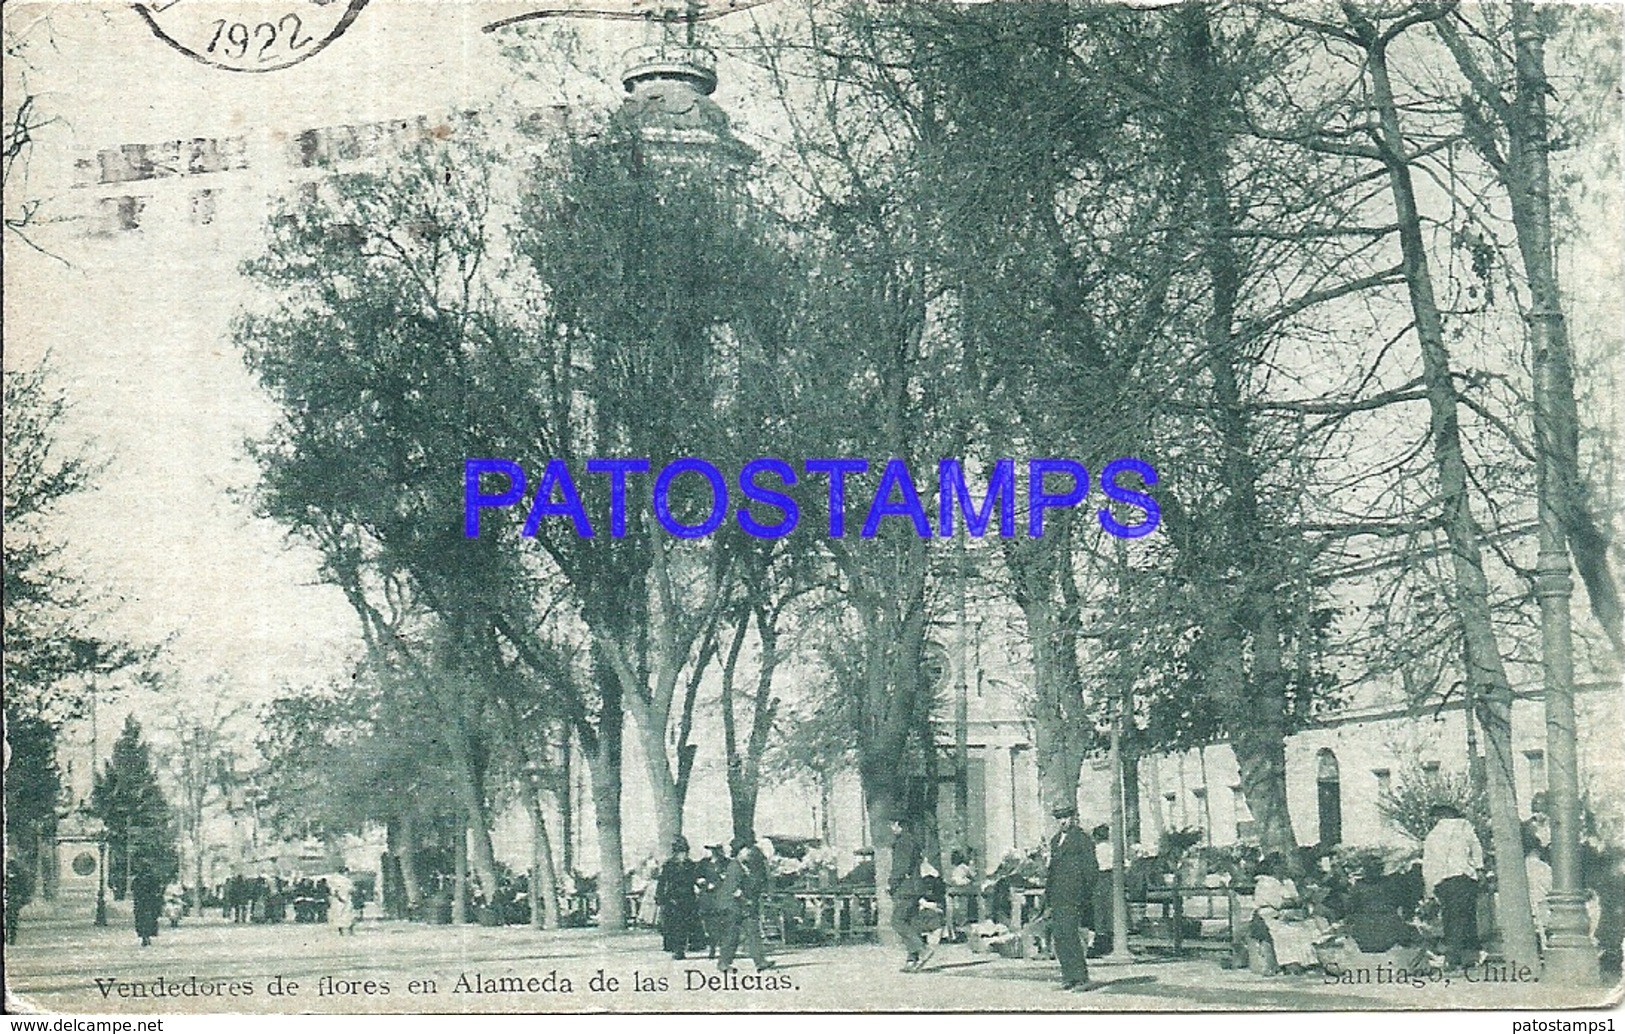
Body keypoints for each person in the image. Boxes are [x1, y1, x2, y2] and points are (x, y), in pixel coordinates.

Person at [1422, 803, 1484, 969]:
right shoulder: (1464, 827)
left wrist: (1430, 889)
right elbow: (1476, 848)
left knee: (1451, 918)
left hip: (1444, 881)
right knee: (1467, 917)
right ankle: (1470, 955)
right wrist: (1479, 868)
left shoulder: (1432, 835)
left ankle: (1454, 956)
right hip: (1465, 878)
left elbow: (1428, 865)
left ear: (1438, 817)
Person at [1249, 853, 1332, 974]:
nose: (1285, 867)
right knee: (1289, 932)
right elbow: (1280, 903)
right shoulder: (1265, 882)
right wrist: (1299, 900)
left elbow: (1296, 900)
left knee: (1312, 926)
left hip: (1290, 915)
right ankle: (1291, 963)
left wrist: (1305, 898)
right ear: (1274, 867)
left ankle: (1311, 961)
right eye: (1282, 864)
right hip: (1270, 917)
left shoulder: (1288, 882)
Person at [1046, 805, 1098, 991]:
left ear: (1074, 817)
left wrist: (1083, 893)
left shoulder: (1082, 839)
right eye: (1059, 818)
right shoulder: (1055, 841)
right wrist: (1049, 897)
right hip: (1057, 895)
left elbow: (1091, 869)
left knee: (1070, 934)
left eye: (1066, 817)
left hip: (1073, 896)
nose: (1062, 821)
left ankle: (1082, 978)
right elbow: (1052, 871)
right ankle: (1068, 976)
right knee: (1060, 936)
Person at [716, 837, 775, 973]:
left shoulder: (745, 865)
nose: (748, 852)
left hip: (743, 907)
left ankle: (760, 962)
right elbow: (734, 891)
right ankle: (723, 963)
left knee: (753, 932)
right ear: (738, 852)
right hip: (732, 907)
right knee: (732, 936)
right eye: (745, 850)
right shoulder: (734, 867)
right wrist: (746, 901)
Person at [887, 815, 930, 972]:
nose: (891, 829)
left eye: (892, 825)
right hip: (916, 887)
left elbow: (901, 867)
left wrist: (892, 884)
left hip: (905, 888)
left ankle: (922, 949)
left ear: (898, 823)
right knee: (910, 922)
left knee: (897, 921)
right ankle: (912, 960)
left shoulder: (902, 843)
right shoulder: (913, 840)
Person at [658, 836, 703, 960]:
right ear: (675, 852)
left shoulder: (691, 864)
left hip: (688, 897)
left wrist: (700, 883)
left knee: (686, 924)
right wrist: (660, 897)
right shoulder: (669, 865)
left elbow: (696, 879)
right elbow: (662, 881)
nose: (683, 855)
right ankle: (677, 949)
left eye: (684, 851)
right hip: (673, 898)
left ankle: (683, 948)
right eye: (680, 852)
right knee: (674, 925)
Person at [697, 844, 729, 958]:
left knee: (722, 922)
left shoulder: (727, 862)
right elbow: (698, 876)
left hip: (721, 895)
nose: (714, 852)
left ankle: (722, 947)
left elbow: (730, 878)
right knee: (709, 922)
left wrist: (721, 881)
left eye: (716, 849)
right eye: (711, 849)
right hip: (707, 896)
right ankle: (712, 947)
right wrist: (703, 883)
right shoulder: (704, 863)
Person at [1089, 823, 1114, 957]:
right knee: (1111, 909)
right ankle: (1111, 939)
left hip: (1100, 878)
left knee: (1100, 910)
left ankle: (1101, 942)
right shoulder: (1113, 848)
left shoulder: (1095, 849)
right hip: (1112, 878)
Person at [131, 862, 164, 948]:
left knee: (141, 920)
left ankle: (144, 936)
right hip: (150, 902)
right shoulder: (154, 878)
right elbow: (158, 890)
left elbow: (133, 890)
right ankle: (147, 936)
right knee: (150, 920)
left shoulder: (137, 878)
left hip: (141, 903)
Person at [328, 866, 357, 935]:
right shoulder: (343, 881)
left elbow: (333, 891)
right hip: (341, 900)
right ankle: (346, 930)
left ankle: (346, 930)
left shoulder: (337, 880)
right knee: (343, 914)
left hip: (342, 899)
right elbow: (334, 891)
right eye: (346, 872)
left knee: (344, 914)